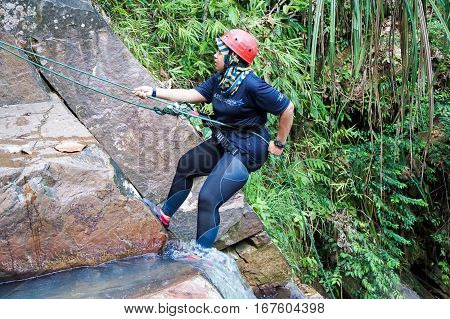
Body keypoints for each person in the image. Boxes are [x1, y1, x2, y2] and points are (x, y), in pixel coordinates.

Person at [133, 29, 294, 248]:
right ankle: (165, 215)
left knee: (209, 197)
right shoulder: (221, 80)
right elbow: (192, 94)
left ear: (233, 57)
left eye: (221, 51)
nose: (215, 55)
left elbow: (287, 108)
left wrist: (279, 143)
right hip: (226, 139)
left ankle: (202, 255)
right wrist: (153, 92)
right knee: (186, 164)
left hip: (248, 149)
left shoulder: (254, 85)